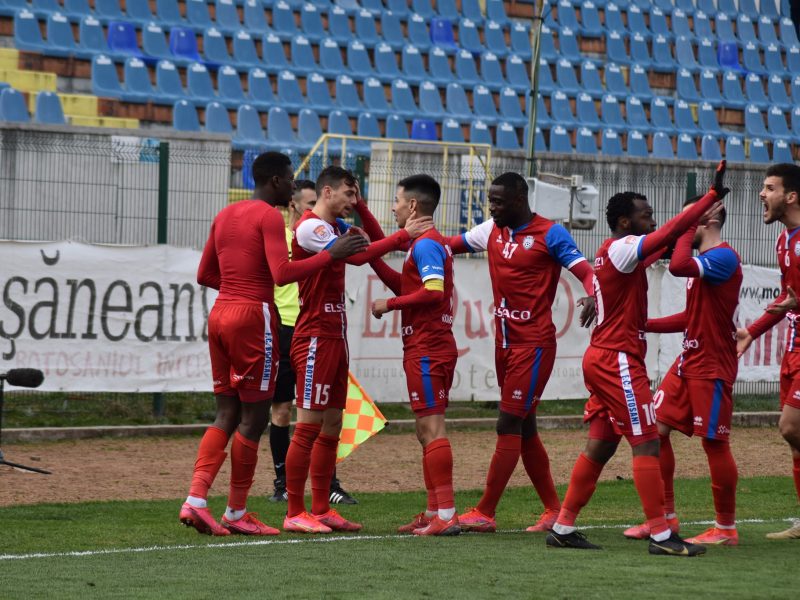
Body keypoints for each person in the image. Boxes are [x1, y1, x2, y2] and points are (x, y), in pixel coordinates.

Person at [545, 160, 729, 556]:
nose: (653, 220)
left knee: (600, 446)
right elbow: (667, 236)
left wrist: (689, 222)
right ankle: (662, 536)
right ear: (625, 222)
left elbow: (664, 244)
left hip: (603, 357)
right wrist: (707, 199)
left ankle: (562, 526)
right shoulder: (625, 247)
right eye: (645, 215)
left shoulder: (615, 252)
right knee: (646, 443)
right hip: (618, 362)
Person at [179, 152, 367, 537]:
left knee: (226, 413)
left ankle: (196, 500)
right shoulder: (268, 216)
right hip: (254, 316)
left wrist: (237, 288)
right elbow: (282, 274)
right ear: (277, 181)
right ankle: (236, 511)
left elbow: (204, 274)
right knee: (255, 418)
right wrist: (330, 255)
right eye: (291, 179)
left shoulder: (224, 214)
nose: (294, 187)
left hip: (220, 313)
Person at [283, 166, 433, 533]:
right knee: (308, 426)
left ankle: (321, 509)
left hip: (335, 335)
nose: (353, 200)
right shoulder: (311, 227)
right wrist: (403, 235)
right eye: (349, 194)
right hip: (314, 336)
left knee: (333, 423)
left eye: (356, 195)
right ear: (328, 192)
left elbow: (374, 243)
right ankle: (294, 511)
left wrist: (364, 206)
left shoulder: (335, 227)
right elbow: (358, 256)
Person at [444, 172, 596, 533]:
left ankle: (485, 511)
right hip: (504, 342)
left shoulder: (551, 234)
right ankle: (552, 509)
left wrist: (593, 293)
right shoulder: (491, 230)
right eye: (490, 201)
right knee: (525, 426)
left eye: (498, 201)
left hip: (534, 345)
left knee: (508, 422)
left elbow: (586, 271)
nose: (491, 208)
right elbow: (449, 245)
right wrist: (409, 239)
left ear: (519, 200)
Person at [622, 196, 742, 546]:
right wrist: (643, 324)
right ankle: (666, 517)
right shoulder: (705, 261)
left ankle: (725, 528)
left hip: (712, 364)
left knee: (714, 443)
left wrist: (686, 226)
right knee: (656, 431)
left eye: (688, 219)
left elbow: (677, 266)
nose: (679, 225)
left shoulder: (723, 257)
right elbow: (692, 317)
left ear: (708, 220)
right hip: (689, 360)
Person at [370, 174, 460, 536]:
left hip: (428, 347)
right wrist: (373, 258)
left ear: (412, 205)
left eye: (396, 200)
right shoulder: (424, 244)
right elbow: (408, 285)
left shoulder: (425, 245)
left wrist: (389, 305)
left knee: (432, 428)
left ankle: (447, 515)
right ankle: (435, 511)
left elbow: (433, 292)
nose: (393, 207)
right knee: (425, 431)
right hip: (425, 345)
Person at [269, 179, 357, 506]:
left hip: (329, 331)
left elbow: (359, 251)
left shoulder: (330, 230)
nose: (312, 208)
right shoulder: (293, 234)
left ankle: (325, 496)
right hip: (294, 328)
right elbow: (277, 277)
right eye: (308, 203)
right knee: (285, 412)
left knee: (331, 420)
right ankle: (285, 490)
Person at [736, 163, 800, 540]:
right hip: (793, 348)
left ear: (791, 196)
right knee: (795, 439)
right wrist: (752, 332)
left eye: (770, 188)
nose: (762, 194)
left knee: (790, 426)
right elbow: (788, 297)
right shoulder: (783, 241)